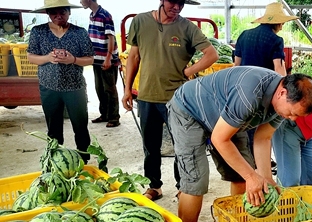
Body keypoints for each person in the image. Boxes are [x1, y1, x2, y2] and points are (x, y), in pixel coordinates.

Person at [167, 66, 312, 222]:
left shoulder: (280, 104)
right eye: (291, 113)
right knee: (196, 182)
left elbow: (263, 138)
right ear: (282, 93)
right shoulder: (249, 93)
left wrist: (265, 177)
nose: (292, 119)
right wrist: (251, 176)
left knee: (241, 176)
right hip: (189, 111)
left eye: (297, 115)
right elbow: (219, 139)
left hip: (227, 117)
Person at [121, 0, 219, 201]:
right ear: (162, 1)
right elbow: (133, 57)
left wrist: (189, 71)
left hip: (178, 100)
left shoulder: (187, 27)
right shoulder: (140, 21)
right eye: (173, 2)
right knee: (150, 145)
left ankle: (182, 185)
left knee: (181, 145)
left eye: (181, 4)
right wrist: (127, 90)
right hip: (147, 95)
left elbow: (212, 54)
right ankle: (154, 186)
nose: (177, 7)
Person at [27, 0, 94, 162]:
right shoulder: (38, 31)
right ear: (47, 14)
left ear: (69, 12)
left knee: (80, 126)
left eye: (62, 12)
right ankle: (56, 161)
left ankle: (83, 158)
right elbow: (31, 57)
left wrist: (73, 59)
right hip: (49, 87)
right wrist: (48, 57)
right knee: (53, 128)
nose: (58, 16)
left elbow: (90, 59)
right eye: (53, 13)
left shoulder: (79, 33)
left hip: (75, 87)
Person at [233, 2, 298, 163]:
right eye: (282, 22)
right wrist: (287, 88)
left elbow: (236, 66)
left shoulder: (244, 35)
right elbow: (278, 68)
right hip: (264, 89)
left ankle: (247, 159)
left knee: (244, 124)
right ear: (276, 22)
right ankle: (258, 161)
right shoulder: (275, 40)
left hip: (242, 87)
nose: (282, 26)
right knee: (260, 126)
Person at [80, 0, 121, 128]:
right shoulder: (92, 15)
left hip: (106, 59)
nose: (80, 2)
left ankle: (114, 118)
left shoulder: (104, 15)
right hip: (96, 59)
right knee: (99, 89)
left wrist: (108, 58)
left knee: (110, 89)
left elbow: (111, 37)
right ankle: (104, 114)